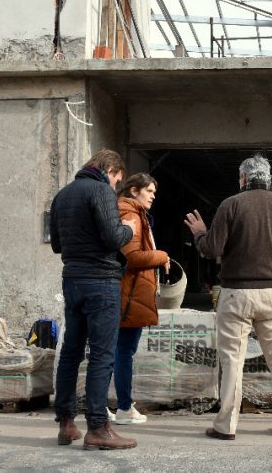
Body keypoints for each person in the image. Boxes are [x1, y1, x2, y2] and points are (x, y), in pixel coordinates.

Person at [184, 153, 272, 440]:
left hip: (236, 294)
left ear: (243, 179)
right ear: (268, 178)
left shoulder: (231, 205)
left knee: (233, 361)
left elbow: (212, 249)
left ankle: (226, 426)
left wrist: (201, 233)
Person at [49, 149, 137, 451]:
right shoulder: (101, 191)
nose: (116, 186)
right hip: (101, 281)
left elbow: (57, 245)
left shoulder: (62, 195)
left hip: (72, 280)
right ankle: (98, 427)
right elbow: (114, 237)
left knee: (71, 352)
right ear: (109, 170)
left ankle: (66, 423)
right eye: (118, 180)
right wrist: (130, 229)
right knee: (102, 354)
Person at [113, 173, 170, 426]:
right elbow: (133, 257)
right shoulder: (130, 214)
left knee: (118, 351)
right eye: (149, 191)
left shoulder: (133, 212)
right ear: (134, 190)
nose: (153, 196)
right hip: (129, 295)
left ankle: (111, 407)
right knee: (122, 352)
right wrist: (162, 256)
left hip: (131, 294)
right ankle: (123, 407)